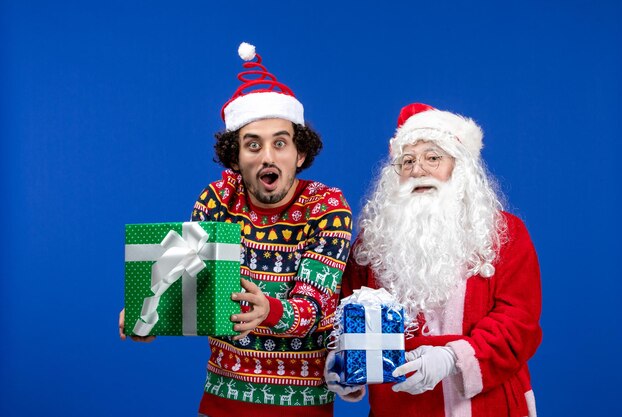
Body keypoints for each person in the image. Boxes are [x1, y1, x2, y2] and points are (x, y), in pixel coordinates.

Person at [119, 42, 352, 417]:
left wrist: (270, 310)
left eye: (280, 143)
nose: (267, 157)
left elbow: (316, 305)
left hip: (301, 405)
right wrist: (146, 315)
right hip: (223, 399)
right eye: (252, 145)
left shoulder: (327, 207)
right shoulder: (216, 199)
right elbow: (185, 286)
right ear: (234, 157)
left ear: (301, 153)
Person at [325, 103, 541, 417]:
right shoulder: (373, 243)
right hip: (399, 406)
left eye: (432, 158)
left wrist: (452, 358)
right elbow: (347, 314)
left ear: (460, 167)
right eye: (407, 161)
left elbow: (518, 322)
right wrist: (344, 362)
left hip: (483, 406)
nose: (417, 170)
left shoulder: (504, 234)